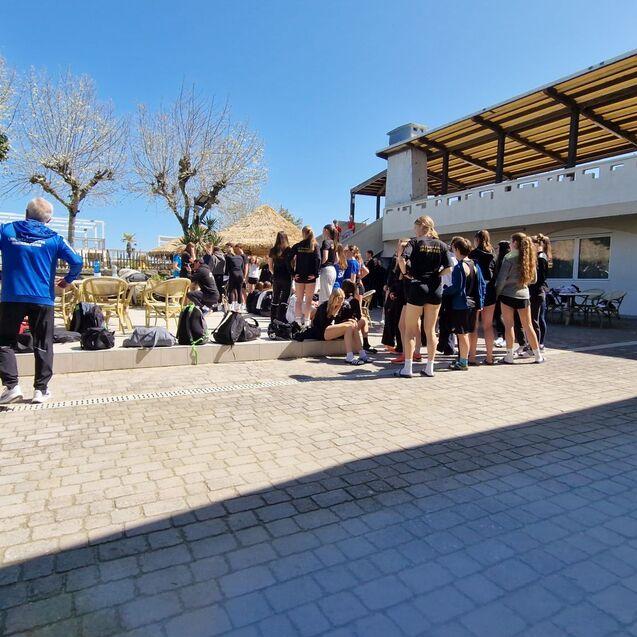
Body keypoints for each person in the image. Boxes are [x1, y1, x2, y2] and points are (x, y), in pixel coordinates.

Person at [0, 198, 83, 404]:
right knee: (43, 343)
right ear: (49, 219)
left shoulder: (6, 231)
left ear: (26, 213)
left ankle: (12, 386)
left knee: (4, 341)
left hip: (12, 296)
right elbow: (77, 261)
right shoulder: (55, 238)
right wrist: (67, 280)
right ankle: (41, 390)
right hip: (42, 298)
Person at [395, 215, 452, 378]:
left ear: (421, 227)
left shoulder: (414, 242)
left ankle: (408, 368)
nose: (414, 231)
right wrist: (437, 275)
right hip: (435, 289)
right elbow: (449, 268)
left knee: (410, 330)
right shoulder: (442, 245)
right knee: (431, 330)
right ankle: (430, 367)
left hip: (418, 286)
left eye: (415, 227)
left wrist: (406, 273)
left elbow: (402, 260)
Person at [495, 232, 544, 364]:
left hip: (507, 295)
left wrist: (496, 294)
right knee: (528, 326)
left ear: (515, 243)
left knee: (509, 326)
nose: (510, 244)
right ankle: (538, 355)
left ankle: (509, 356)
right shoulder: (530, 257)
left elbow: (501, 279)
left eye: (511, 241)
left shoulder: (508, 257)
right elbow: (534, 280)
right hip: (524, 295)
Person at [443, 237, 486, 371]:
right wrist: (480, 303)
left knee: (462, 334)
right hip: (473, 303)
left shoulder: (459, 267)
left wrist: (444, 291)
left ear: (457, 249)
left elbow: (456, 288)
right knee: (466, 333)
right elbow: (482, 285)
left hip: (461, 304)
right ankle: (463, 359)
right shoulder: (475, 265)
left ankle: (463, 361)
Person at [306, 288, 368, 365]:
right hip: (322, 332)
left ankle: (362, 354)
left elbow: (342, 321)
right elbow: (323, 325)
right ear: (334, 298)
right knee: (349, 326)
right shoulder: (324, 306)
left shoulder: (344, 305)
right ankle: (349, 356)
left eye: (342, 299)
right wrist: (335, 311)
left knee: (353, 324)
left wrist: (348, 320)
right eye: (339, 299)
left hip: (334, 332)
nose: (341, 302)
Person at [468, 229, 497, 365]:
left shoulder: (473, 254)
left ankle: (472, 357)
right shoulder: (493, 254)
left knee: (474, 326)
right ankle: (489, 357)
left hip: (476, 291)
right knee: (488, 326)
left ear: (477, 240)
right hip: (490, 291)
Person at [290, 226, 320, 326]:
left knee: (298, 300)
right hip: (310, 277)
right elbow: (318, 259)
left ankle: (297, 322)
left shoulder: (298, 245)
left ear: (303, 233)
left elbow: (288, 258)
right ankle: (307, 322)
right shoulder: (315, 245)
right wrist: (315, 274)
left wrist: (293, 273)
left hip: (299, 276)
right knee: (308, 301)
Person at [340, 280, 376, 352]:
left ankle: (366, 344)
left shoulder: (339, 298)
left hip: (338, 327)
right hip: (347, 328)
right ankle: (366, 343)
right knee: (364, 319)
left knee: (361, 319)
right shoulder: (354, 301)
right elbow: (359, 316)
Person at [530, 234, 551, 350]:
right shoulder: (539, 257)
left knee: (537, 318)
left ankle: (539, 343)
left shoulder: (541, 257)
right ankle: (536, 343)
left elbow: (541, 278)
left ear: (537, 244)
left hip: (538, 291)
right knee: (537, 317)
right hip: (537, 290)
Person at [268, 231, 293, 323]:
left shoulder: (273, 250)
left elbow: (270, 266)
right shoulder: (289, 250)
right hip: (287, 276)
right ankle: (281, 318)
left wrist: (274, 274)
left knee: (275, 297)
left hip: (276, 277)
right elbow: (293, 264)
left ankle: (273, 318)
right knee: (285, 298)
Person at [318, 224, 337, 303]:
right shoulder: (334, 243)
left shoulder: (326, 242)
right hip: (332, 270)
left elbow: (325, 258)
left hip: (326, 270)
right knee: (328, 293)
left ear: (326, 230)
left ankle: (324, 310)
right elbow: (336, 260)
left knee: (324, 296)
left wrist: (319, 267)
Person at [224, 245, 245, 309]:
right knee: (239, 290)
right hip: (240, 274)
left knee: (231, 290)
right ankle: (238, 306)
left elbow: (227, 268)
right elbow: (242, 267)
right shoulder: (240, 257)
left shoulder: (228, 257)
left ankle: (230, 306)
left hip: (233, 274)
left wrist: (225, 276)